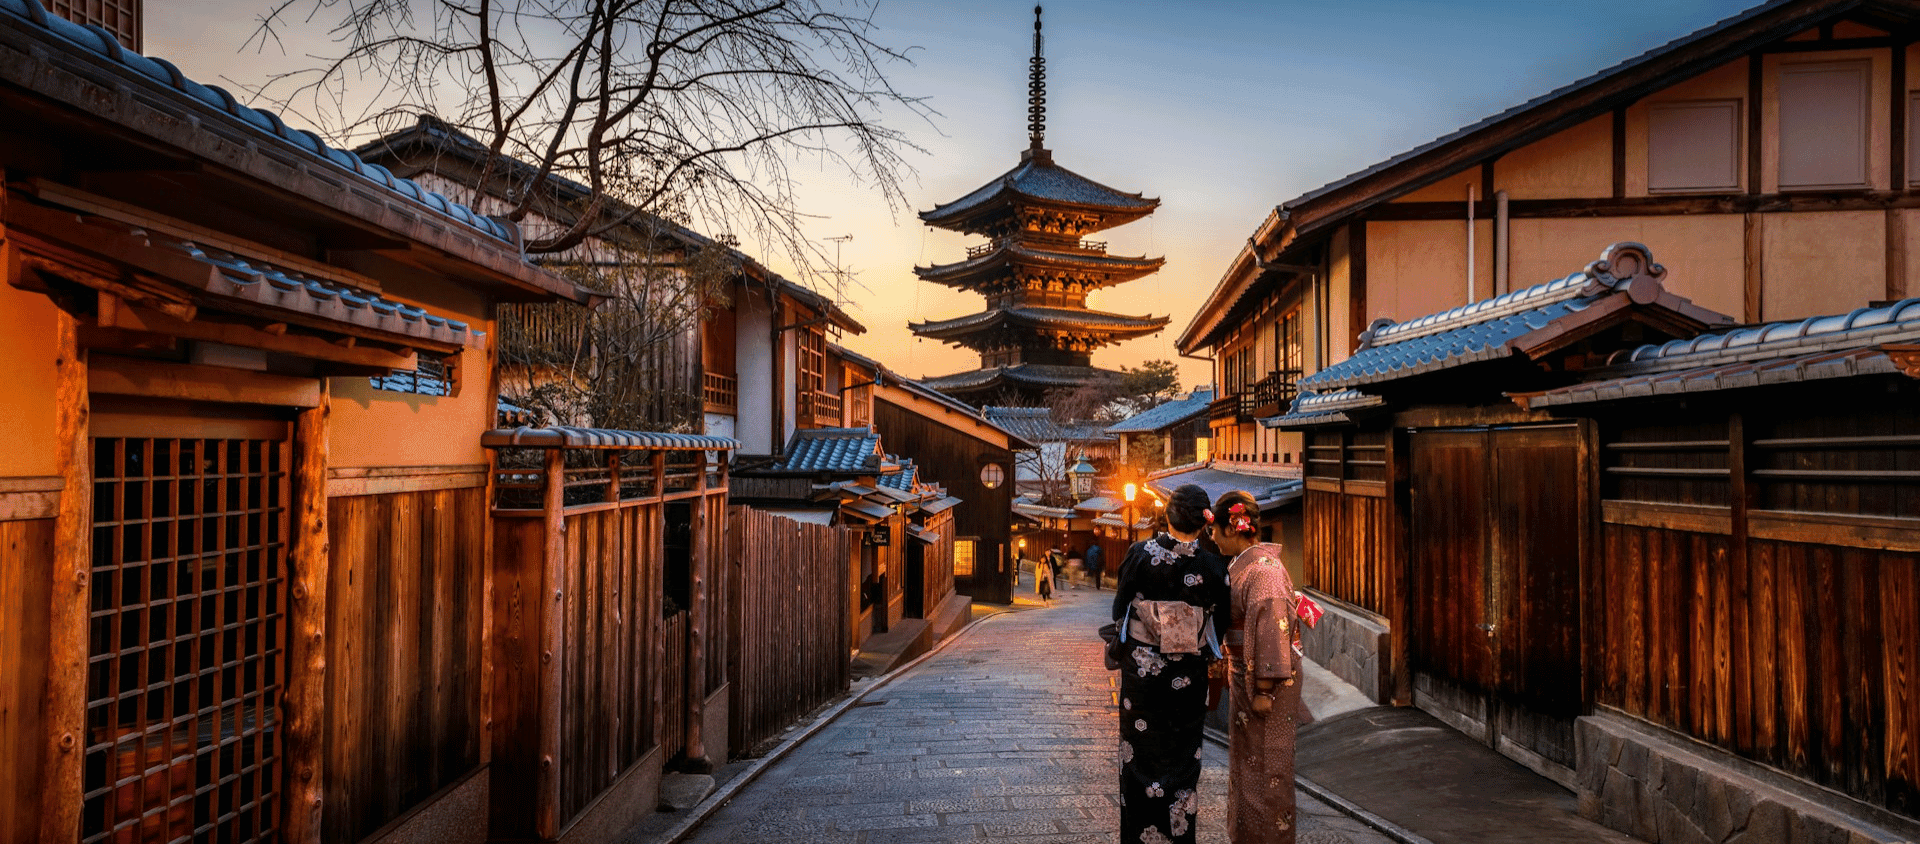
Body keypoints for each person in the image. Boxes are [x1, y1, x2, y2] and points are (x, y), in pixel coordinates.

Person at [1110, 484, 1228, 844]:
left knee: (1139, 760)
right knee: (1181, 761)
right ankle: (1178, 836)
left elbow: (1120, 611)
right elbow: (1216, 627)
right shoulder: (1211, 566)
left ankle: (1138, 836)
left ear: (1167, 515)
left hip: (1143, 679)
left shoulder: (1139, 554)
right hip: (1187, 680)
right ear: (1204, 523)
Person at [1211, 490, 1308, 844]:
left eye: (1215, 530)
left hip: (1265, 686)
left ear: (1232, 528)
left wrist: (1265, 688)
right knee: (1248, 765)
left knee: (1268, 767)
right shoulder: (1249, 567)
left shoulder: (1263, 573)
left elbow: (1272, 630)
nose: (1212, 537)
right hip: (1245, 678)